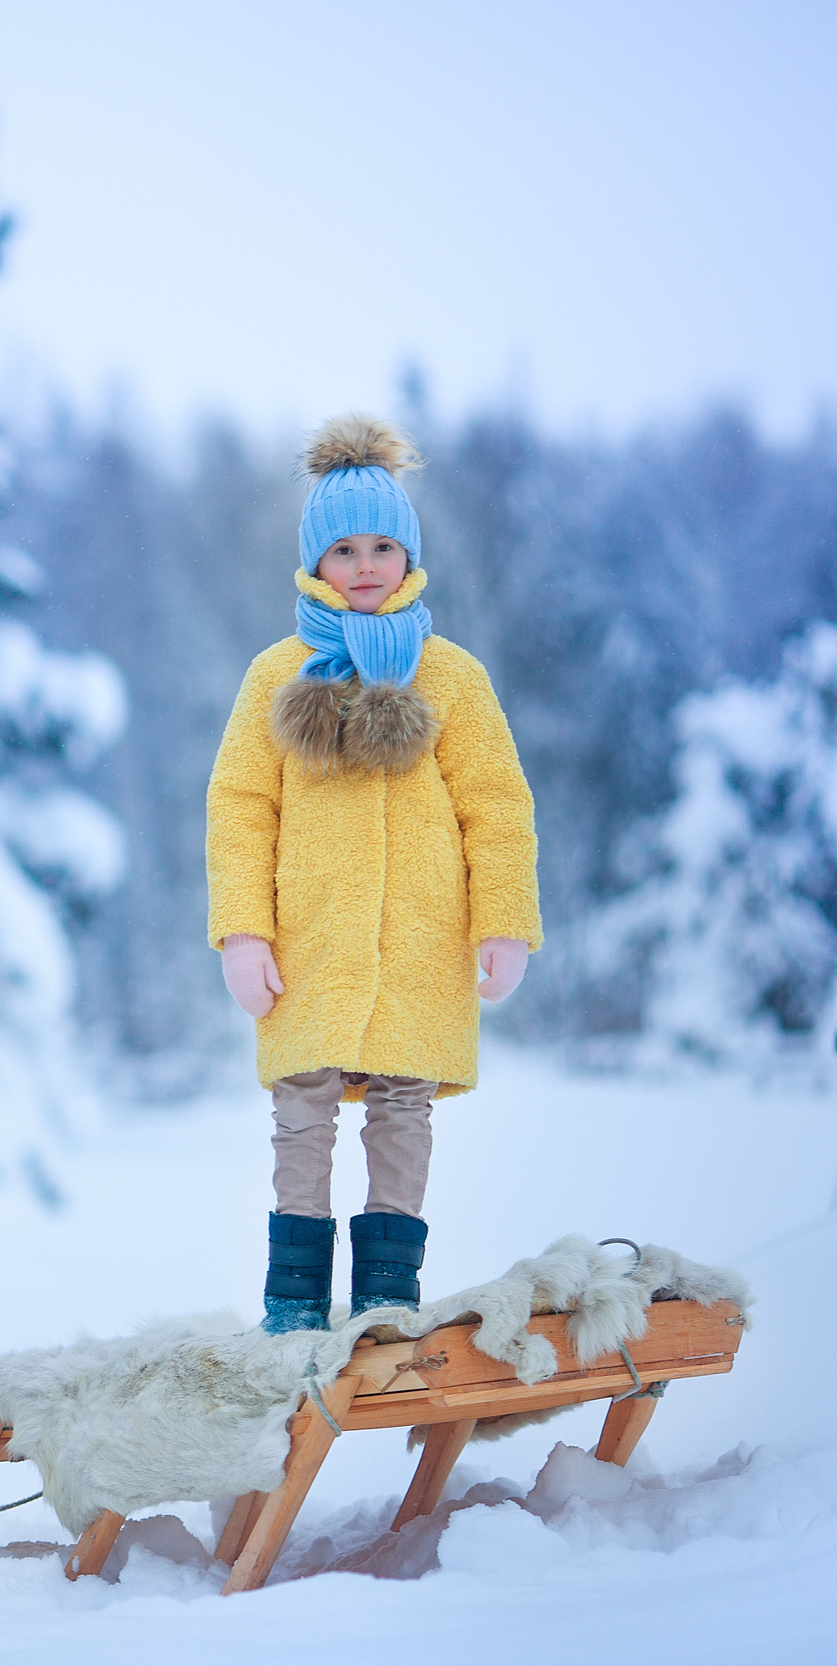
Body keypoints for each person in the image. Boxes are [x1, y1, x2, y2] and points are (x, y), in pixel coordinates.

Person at [204, 415, 541, 1333]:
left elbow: (498, 806)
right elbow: (240, 805)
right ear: (316, 562)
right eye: (344, 549)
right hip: (310, 945)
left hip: (420, 944)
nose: (364, 565)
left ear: (409, 554)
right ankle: (295, 1299)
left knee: (403, 1108)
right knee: (303, 1112)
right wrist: (244, 928)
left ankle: (389, 1294)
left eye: (383, 545)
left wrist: (501, 921)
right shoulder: (277, 675)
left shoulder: (451, 678)